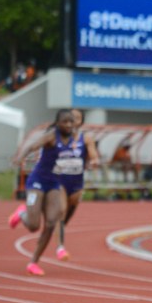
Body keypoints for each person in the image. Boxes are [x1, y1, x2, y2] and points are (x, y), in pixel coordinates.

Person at [8, 110, 79, 276]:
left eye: (71, 122)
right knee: (33, 226)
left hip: (54, 183)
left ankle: (33, 262)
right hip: (37, 182)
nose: (68, 125)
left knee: (51, 222)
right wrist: (21, 157)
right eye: (65, 122)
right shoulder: (52, 136)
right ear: (57, 123)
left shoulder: (74, 138)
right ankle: (22, 213)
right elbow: (33, 145)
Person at [56, 108, 101, 259]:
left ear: (81, 121)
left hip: (76, 183)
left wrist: (94, 161)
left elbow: (93, 153)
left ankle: (58, 228)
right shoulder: (59, 137)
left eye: (77, 117)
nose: (74, 120)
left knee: (68, 215)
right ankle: (60, 247)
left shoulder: (86, 138)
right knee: (61, 211)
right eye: (71, 117)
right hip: (60, 180)